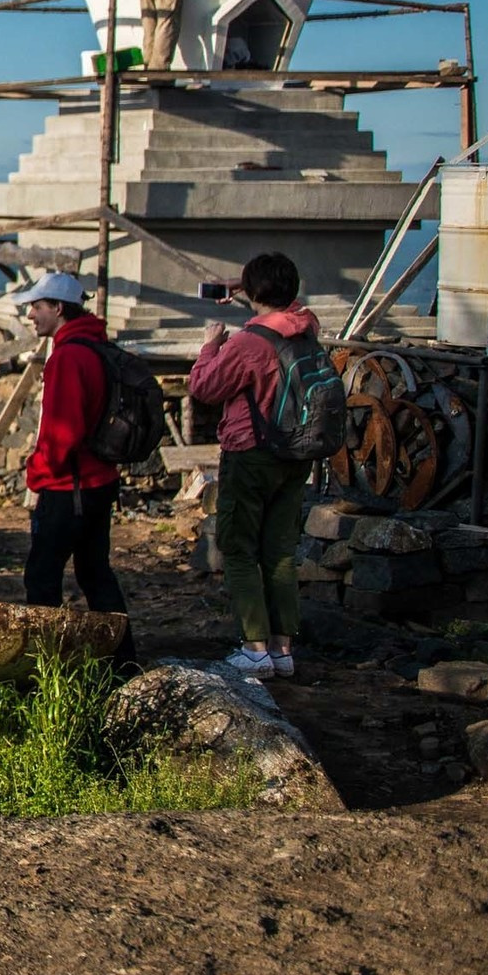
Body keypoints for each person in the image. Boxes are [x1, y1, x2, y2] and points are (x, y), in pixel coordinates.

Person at [186, 252, 323, 679]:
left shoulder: (248, 343)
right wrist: (247, 287)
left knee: (240, 548)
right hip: (296, 453)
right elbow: (285, 306)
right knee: (280, 550)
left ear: (254, 290)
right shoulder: (307, 326)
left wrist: (212, 344)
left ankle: (254, 648)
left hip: (250, 451)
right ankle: (283, 649)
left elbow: (204, 387)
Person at [16, 272, 138, 665]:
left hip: (70, 487)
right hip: (100, 479)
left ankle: (45, 666)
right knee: (95, 572)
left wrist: (36, 472)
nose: (31, 314)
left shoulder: (67, 357)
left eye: (37, 306)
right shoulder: (96, 346)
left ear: (57, 308)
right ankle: (123, 659)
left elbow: (61, 433)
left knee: (42, 577)